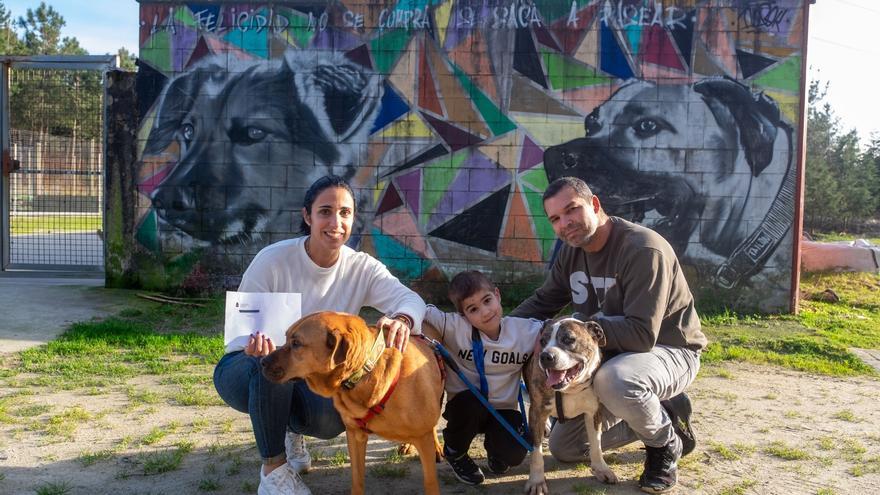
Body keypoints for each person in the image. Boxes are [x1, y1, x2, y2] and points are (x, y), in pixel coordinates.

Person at [213, 175, 426, 495]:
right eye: (325, 211)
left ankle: (286, 430)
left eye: (345, 213)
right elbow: (240, 335)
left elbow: (410, 299)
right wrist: (251, 345)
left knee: (329, 421)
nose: (336, 221)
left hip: (310, 376)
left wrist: (403, 319)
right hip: (246, 365)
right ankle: (273, 472)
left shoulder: (362, 267)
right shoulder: (273, 259)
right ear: (307, 216)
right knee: (270, 368)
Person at [509, 176, 708, 494]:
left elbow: (643, 334)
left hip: (670, 350)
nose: (565, 224)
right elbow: (545, 300)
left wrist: (589, 331)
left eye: (572, 210)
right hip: (614, 353)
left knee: (613, 380)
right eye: (555, 219)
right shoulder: (572, 252)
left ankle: (664, 445)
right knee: (566, 449)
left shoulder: (643, 249)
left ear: (595, 204)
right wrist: (499, 331)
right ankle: (665, 410)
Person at [424, 270, 542, 486]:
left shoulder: (525, 331)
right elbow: (417, 307)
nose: (485, 312)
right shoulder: (453, 326)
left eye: (487, 300)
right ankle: (455, 451)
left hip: (503, 410)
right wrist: (402, 317)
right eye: (473, 309)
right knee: (470, 404)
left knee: (515, 454)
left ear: (497, 295)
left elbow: (555, 328)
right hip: (466, 407)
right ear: (463, 315)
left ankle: (495, 450)